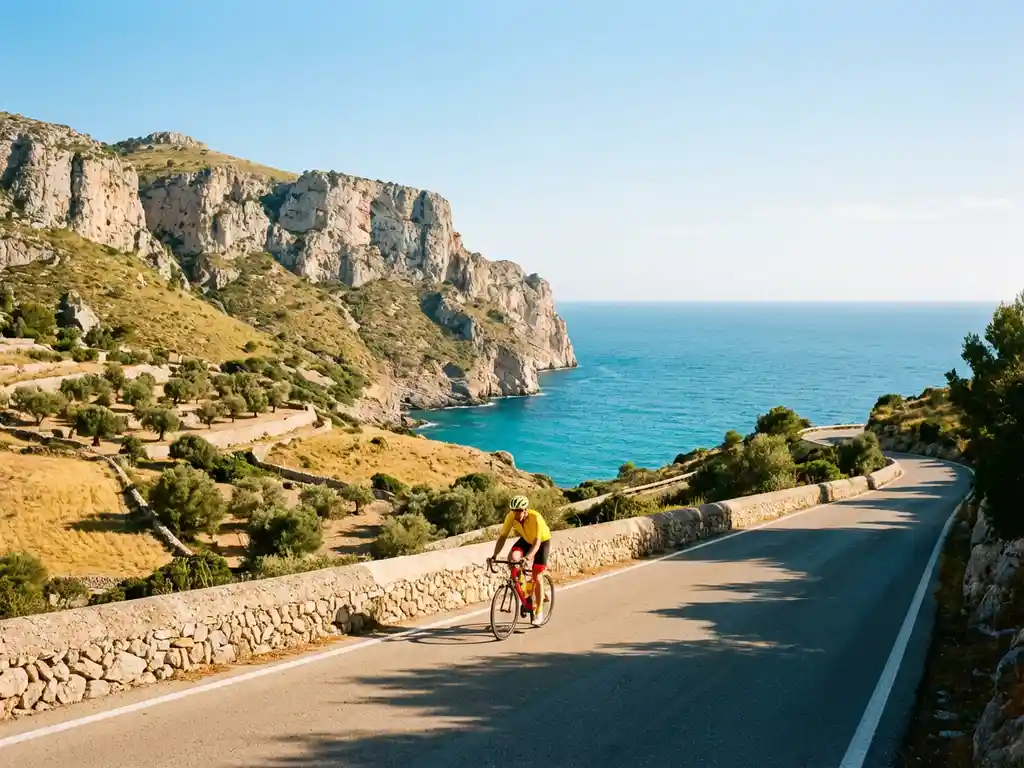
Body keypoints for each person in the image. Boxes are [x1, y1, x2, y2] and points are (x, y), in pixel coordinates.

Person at [488, 494, 551, 626]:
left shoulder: (536, 518)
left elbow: (537, 543)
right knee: (513, 559)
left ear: (525, 510)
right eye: (514, 511)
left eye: (519, 511)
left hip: (541, 542)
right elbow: (503, 537)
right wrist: (494, 555)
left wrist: (527, 558)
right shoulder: (510, 517)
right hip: (526, 540)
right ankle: (525, 589)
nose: (516, 514)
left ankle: (538, 612)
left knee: (537, 575)